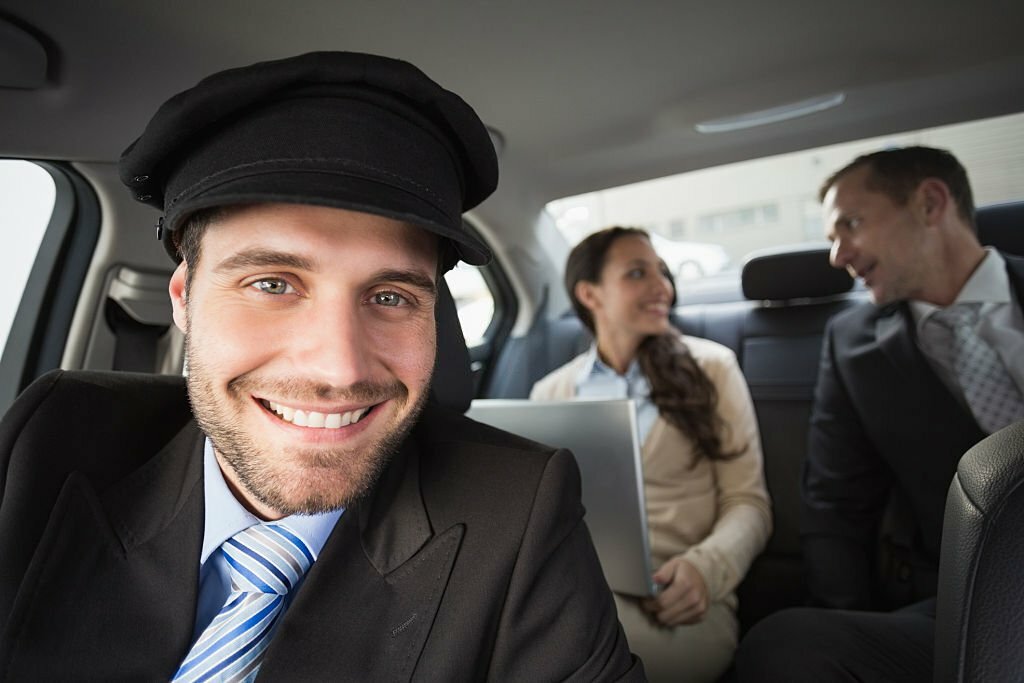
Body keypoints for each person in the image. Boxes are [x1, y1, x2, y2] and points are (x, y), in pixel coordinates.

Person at [0, 52, 645, 680]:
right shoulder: (51, 439)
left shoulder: (521, 513)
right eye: (272, 284)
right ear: (183, 300)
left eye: (390, 297)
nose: (338, 368)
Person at [735, 146, 1024, 681]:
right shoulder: (852, 347)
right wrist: (845, 613)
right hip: (976, 600)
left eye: (851, 224)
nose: (837, 255)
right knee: (786, 644)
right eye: (830, 238)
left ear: (930, 203)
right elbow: (835, 502)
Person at [530, 226, 772, 682]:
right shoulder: (550, 392)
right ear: (590, 294)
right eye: (638, 273)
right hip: (577, 588)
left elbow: (750, 505)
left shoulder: (713, 368)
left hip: (679, 602)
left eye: (662, 271)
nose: (662, 286)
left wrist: (706, 570)